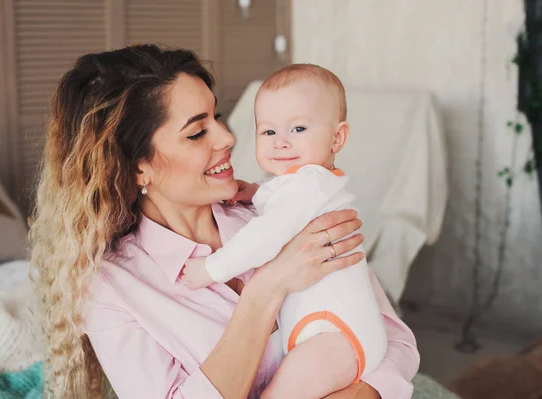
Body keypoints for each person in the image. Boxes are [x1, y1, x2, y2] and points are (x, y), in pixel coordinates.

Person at [29, 44, 419, 399]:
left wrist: (359, 395)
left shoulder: (281, 209)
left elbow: (396, 339)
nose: (228, 137)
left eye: (217, 116)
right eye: (198, 132)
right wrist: (266, 288)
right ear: (138, 169)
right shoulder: (113, 288)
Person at [182, 64, 388, 399]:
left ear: (337, 137)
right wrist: (254, 192)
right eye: (268, 132)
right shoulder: (303, 184)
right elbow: (281, 201)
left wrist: (211, 269)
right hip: (324, 332)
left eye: (298, 128)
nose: (281, 143)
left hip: (335, 335)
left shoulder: (309, 183)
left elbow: (265, 236)